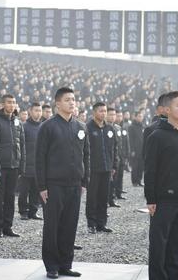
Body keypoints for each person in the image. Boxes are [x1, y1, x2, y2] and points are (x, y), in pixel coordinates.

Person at [36, 87, 90, 279]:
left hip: (74, 185)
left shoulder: (81, 127)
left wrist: (84, 181)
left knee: (70, 225)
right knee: (52, 226)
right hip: (53, 185)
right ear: (57, 103)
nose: (72, 103)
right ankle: (51, 266)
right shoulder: (48, 127)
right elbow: (39, 158)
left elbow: (86, 155)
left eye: (73, 99)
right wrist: (41, 186)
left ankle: (66, 264)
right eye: (67, 100)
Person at [145, 91, 178, 280]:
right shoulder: (157, 136)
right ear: (166, 110)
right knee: (159, 244)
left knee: (176, 244)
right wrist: (151, 199)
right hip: (163, 200)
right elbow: (150, 170)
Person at [0, 94, 26, 238]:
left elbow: (21, 144)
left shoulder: (17, 122)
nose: (12, 105)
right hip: (0, 166)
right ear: (3, 104)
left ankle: (7, 227)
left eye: (14, 102)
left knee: (10, 197)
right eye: (9, 102)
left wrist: (21, 165)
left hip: (14, 166)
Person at [86, 102, 117, 233]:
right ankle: (91, 224)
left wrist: (114, 165)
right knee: (92, 197)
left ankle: (101, 223)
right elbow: (85, 150)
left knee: (104, 197)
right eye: (100, 111)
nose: (103, 113)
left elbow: (114, 148)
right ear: (94, 112)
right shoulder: (88, 128)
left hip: (106, 168)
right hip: (93, 169)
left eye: (105, 111)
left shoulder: (109, 129)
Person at [18, 102, 43, 220]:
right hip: (26, 164)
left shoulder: (43, 126)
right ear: (30, 111)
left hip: (38, 165)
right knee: (24, 190)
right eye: (36, 110)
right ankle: (23, 211)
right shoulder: (24, 126)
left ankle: (33, 211)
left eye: (40, 110)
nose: (38, 113)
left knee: (36, 190)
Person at [128, 109, 145, 187]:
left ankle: (139, 180)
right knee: (135, 166)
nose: (141, 118)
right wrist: (132, 150)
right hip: (135, 150)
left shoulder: (142, 126)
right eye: (139, 116)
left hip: (142, 149)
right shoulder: (131, 127)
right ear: (135, 117)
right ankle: (134, 181)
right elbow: (130, 140)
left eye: (141, 116)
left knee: (141, 166)